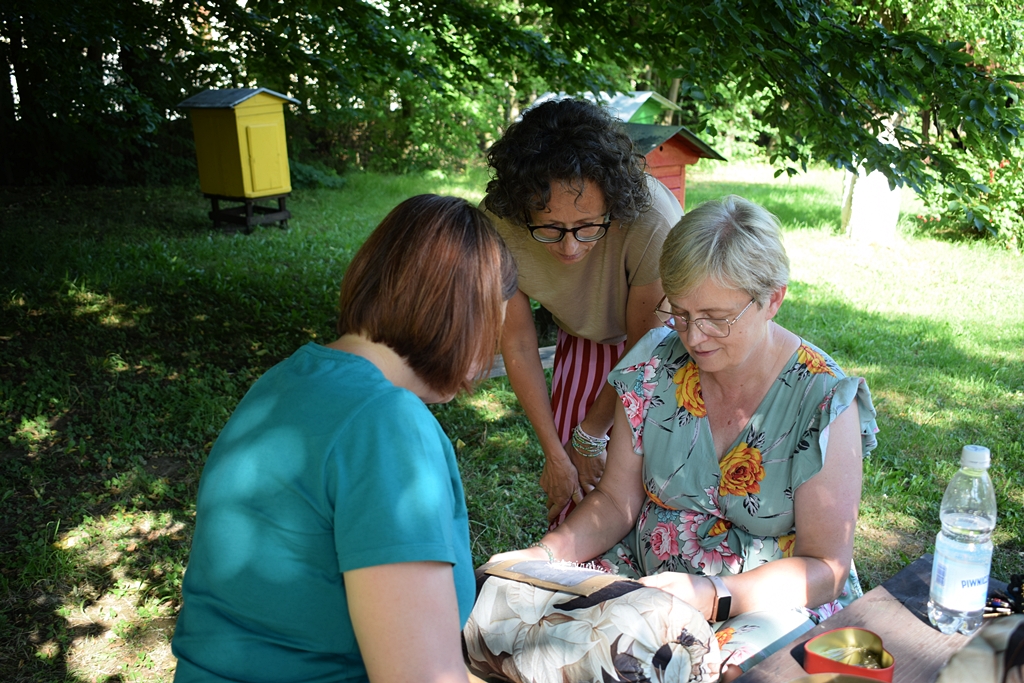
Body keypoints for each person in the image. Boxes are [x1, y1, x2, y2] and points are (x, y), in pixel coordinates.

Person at [490, 196, 878, 680]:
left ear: (773, 298)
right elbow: (615, 503)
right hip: (644, 578)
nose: (695, 338)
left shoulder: (822, 400)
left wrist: (712, 594)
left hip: (766, 602)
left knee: (698, 671)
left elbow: (826, 568)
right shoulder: (656, 362)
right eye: (681, 313)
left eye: (717, 317)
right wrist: (542, 557)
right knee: (518, 627)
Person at [171, 195, 518, 683]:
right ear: (463, 316)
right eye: (493, 330)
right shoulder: (388, 425)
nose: (488, 358)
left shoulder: (284, 381)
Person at [483, 97, 683, 527]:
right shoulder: (498, 226)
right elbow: (517, 341)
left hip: (660, 350)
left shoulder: (654, 221)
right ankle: (572, 577)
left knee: (647, 483)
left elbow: (645, 347)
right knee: (575, 488)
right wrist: (557, 454)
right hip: (583, 336)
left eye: (589, 225)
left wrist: (591, 435)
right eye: (550, 228)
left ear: (613, 203)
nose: (570, 247)